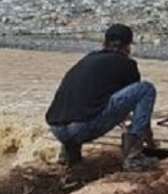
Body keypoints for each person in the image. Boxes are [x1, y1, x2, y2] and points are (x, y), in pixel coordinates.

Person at [45, 24, 158, 172]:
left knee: (82, 104)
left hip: (57, 129)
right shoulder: (127, 64)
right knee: (146, 88)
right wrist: (149, 141)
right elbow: (138, 103)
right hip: (82, 129)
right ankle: (133, 157)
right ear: (128, 47)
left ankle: (68, 157)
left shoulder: (89, 58)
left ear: (103, 43)